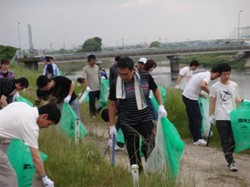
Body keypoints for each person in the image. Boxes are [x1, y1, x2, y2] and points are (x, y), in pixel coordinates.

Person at [108, 57, 167, 173]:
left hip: (145, 119)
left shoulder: (145, 76)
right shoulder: (116, 83)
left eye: (126, 74)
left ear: (133, 70)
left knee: (149, 148)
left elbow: (155, 89)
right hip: (127, 122)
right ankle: (138, 179)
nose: (123, 77)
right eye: (120, 74)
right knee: (133, 153)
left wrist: (161, 105)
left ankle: (152, 173)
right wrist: (112, 126)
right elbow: (112, 104)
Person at [0, 102, 61, 187]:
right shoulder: (31, 127)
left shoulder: (22, 105)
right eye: (49, 124)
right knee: (10, 178)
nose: (47, 127)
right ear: (44, 116)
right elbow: (35, 157)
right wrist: (45, 178)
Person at [209, 63, 245, 172]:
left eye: (228, 74)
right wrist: (210, 115)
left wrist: (245, 102)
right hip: (220, 116)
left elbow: (236, 99)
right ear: (220, 74)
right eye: (224, 74)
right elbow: (212, 102)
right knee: (225, 141)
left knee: (234, 141)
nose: (227, 76)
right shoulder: (215, 87)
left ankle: (229, 155)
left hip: (233, 116)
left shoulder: (234, 85)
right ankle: (231, 162)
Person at [182, 66, 222, 146]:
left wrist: (199, 94)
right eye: (217, 76)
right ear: (216, 73)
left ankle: (194, 137)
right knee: (197, 118)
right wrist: (211, 93)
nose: (216, 78)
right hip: (191, 98)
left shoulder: (203, 74)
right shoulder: (207, 76)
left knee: (192, 118)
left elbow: (194, 85)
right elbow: (202, 85)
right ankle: (198, 139)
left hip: (185, 96)